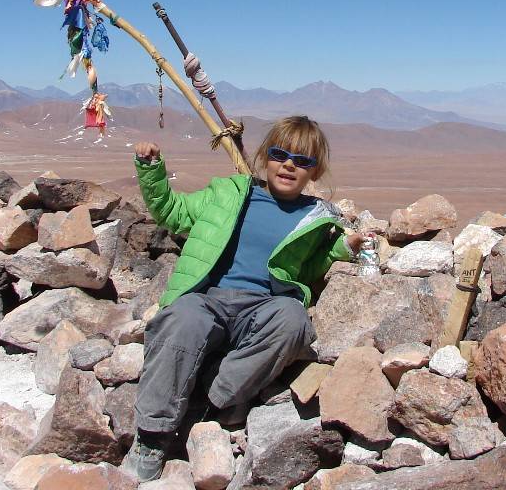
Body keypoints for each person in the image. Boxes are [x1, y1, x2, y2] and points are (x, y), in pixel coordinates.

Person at [122, 115, 364, 481]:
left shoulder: (316, 218)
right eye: (280, 154)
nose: (288, 165)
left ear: (315, 171)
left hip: (262, 306)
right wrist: (151, 170)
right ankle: (152, 436)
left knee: (294, 321)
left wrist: (341, 248)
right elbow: (171, 211)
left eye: (303, 161)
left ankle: (210, 399)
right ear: (265, 156)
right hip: (209, 297)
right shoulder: (227, 194)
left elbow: (312, 266)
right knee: (183, 319)